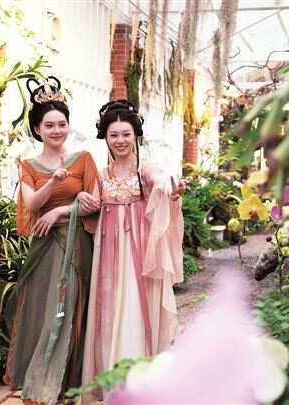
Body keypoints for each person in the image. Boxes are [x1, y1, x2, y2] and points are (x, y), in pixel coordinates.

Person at [4, 76, 100, 405]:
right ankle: (41, 379)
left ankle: (56, 382)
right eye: (49, 125)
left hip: (73, 245)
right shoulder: (28, 165)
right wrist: (53, 183)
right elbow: (32, 204)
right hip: (43, 248)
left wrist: (60, 211)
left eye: (62, 124)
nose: (57, 130)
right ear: (37, 129)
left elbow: (94, 203)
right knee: (42, 309)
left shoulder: (84, 159)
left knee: (65, 305)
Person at [82, 100, 186, 399]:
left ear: (136, 134)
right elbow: (89, 206)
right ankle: (114, 385)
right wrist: (79, 201)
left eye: (126, 134)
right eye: (113, 135)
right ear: (105, 137)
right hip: (107, 257)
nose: (120, 141)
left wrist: (172, 189)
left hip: (139, 256)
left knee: (136, 311)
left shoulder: (145, 170)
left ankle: (141, 384)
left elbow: (161, 181)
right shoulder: (100, 174)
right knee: (108, 312)